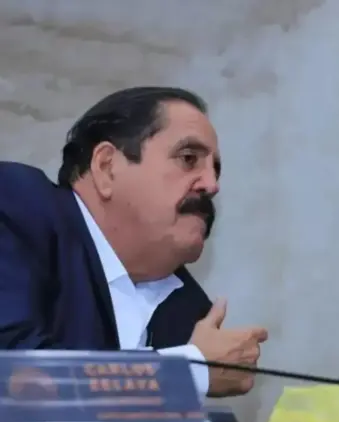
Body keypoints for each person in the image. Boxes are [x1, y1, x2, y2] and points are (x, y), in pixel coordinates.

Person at [0, 86, 268, 399]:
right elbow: (15, 376)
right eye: (188, 158)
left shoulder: (189, 312)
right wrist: (186, 372)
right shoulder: (15, 207)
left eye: (215, 170)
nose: (211, 185)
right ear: (107, 167)